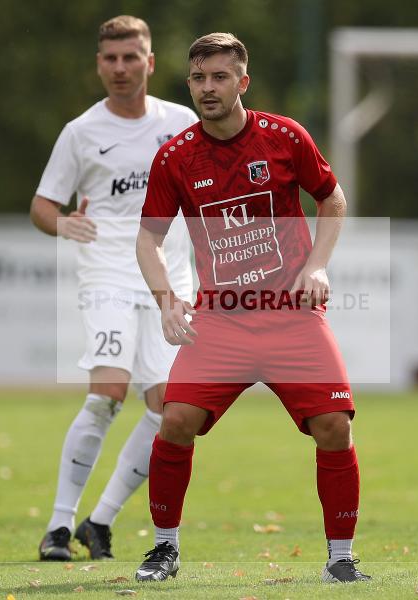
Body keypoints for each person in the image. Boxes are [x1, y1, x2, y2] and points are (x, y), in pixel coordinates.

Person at [133, 33, 371, 583]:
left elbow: (331, 197)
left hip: (291, 317)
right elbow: (147, 241)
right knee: (175, 420)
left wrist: (317, 265)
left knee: (335, 425)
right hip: (220, 321)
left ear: (243, 82)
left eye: (219, 77)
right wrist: (168, 301)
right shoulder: (175, 158)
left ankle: (340, 558)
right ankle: (164, 549)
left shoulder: (285, 137)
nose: (207, 88)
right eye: (198, 78)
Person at [29, 15, 197, 561]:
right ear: (99, 64)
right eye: (110, 58)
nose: (120, 68)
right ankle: (57, 527)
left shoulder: (182, 122)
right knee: (107, 394)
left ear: (150, 62)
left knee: (170, 411)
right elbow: (42, 205)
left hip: (170, 281)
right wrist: (62, 223)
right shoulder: (82, 132)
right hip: (107, 273)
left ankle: (98, 523)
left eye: (131, 57)